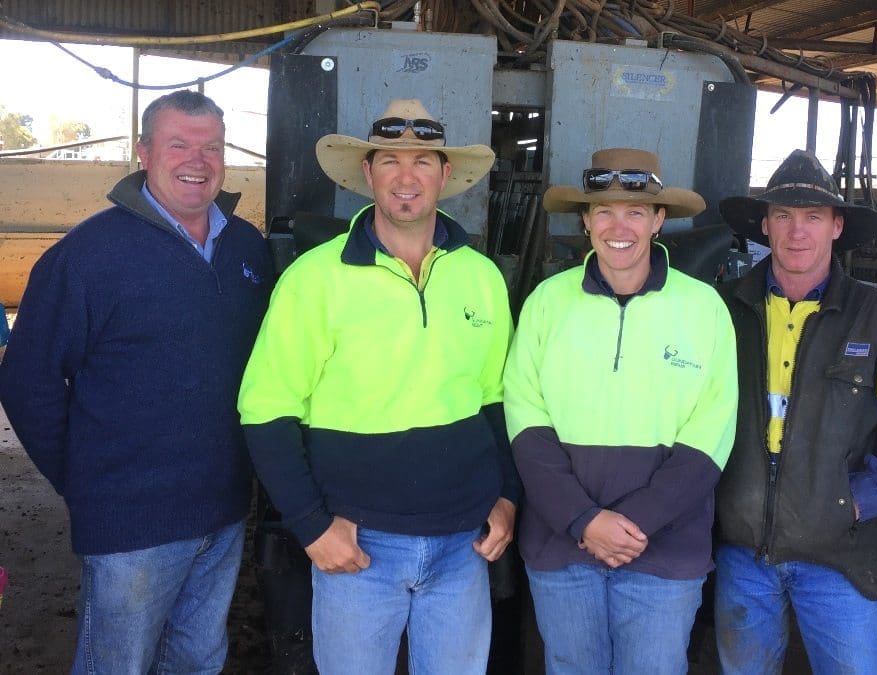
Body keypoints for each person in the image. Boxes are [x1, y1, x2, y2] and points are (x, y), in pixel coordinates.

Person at [237, 98, 521, 674]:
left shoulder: (482, 277)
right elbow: (266, 410)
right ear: (367, 174)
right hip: (357, 547)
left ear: (446, 175)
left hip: (461, 546)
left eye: (423, 162)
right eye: (390, 160)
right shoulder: (313, 278)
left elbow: (496, 401)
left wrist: (508, 495)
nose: (406, 178)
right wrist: (311, 526)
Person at [0, 90, 272, 673]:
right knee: (117, 664)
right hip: (131, 520)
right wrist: (85, 480)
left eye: (212, 146)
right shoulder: (87, 257)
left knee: (198, 658)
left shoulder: (247, 248)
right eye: (179, 144)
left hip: (222, 509)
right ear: (143, 153)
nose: (197, 159)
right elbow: (28, 381)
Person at [503, 147, 738, 674]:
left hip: (665, 549)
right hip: (563, 547)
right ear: (584, 221)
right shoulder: (546, 301)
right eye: (603, 211)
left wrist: (635, 523)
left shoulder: (704, 308)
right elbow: (524, 419)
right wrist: (584, 520)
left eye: (635, 211)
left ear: (659, 220)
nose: (618, 226)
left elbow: (713, 431)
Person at [714, 149, 877, 673]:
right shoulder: (722, 311)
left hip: (840, 558)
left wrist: (859, 500)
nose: (798, 232)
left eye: (813, 218)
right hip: (742, 552)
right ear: (765, 226)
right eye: (784, 216)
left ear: (837, 227)